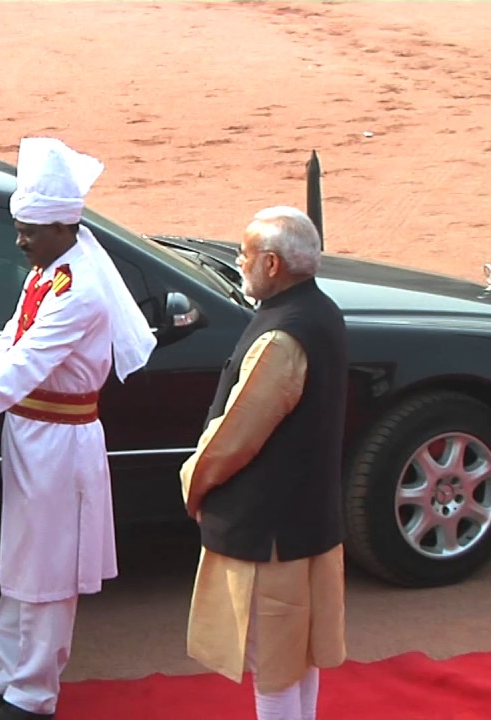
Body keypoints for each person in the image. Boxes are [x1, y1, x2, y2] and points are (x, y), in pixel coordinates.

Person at [0, 137, 156, 720]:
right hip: (27, 436)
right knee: (19, 561)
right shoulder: (48, 273)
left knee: (48, 570)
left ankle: (34, 693)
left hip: (59, 444)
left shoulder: (80, 291)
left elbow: (26, 365)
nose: (18, 242)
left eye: (28, 231)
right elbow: (7, 343)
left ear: (61, 228)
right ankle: (5, 677)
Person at [179, 206, 348, 720]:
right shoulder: (322, 311)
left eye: (245, 254)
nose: (239, 262)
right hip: (307, 522)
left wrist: (195, 484)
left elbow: (235, 436)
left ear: (272, 264)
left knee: (274, 665)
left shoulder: (281, 337)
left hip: (269, 536)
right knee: (298, 659)